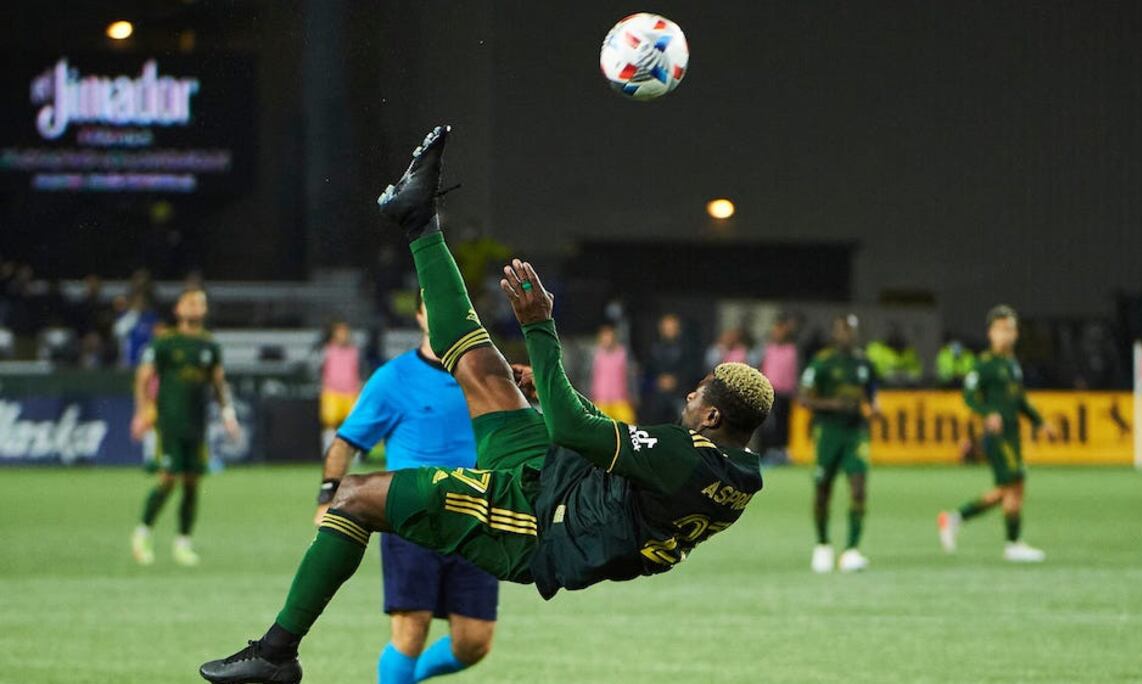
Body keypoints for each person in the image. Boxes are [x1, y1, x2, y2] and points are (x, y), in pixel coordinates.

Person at [200, 126, 773, 683]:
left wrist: (540, 327)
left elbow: (578, 429)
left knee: (352, 499)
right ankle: (418, 219)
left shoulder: (684, 455)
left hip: (539, 524)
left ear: (714, 416)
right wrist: (551, 396)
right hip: (565, 480)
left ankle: (276, 655)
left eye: (699, 393)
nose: (690, 395)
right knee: (478, 364)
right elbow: (598, 436)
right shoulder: (735, 474)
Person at [313, 298, 495, 684]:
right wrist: (328, 495)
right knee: (411, 631)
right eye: (432, 304)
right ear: (419, 316)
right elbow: (346, 442)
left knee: (474, 642)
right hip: (412, 518)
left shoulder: (487, 374)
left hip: (476, 519)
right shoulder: (393, 378)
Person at [130, 288, 240, 567]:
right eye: (190, 302)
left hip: (197, 424)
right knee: (168, 479)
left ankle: (183, 542)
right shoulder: (165, 343)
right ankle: (142, 532)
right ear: (179, 308)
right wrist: (142, 412)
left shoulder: (209, 346)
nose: (194, 307)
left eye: (199, 303)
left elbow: (218, 383)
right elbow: (143, 377)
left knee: (192, 482)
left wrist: (228, 414)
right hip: (169, 423)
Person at [938, 305, 1056, 562]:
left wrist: (1040, 422)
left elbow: (1020, 400)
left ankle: (954, 519)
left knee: (1008, 489)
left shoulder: (1011, 364)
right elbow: (969, 396)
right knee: (1014, 485)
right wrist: (987, 412)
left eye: (1011, 330)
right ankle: (1012, 544)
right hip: (998, 436)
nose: (1008, 335)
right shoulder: (985, 365)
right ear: (991, 333)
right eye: (1002, 329)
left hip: (1013, 433)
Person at [798, 314, 877, 573]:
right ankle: (822, 545)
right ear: (835, 333)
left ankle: (852, 550)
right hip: (828, 432)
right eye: (842, 330)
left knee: (858, 489)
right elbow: (804, 398)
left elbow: (870, 393)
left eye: (851, 330)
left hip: (855, 433)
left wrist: (874, 408)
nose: (847, 335)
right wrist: (833, 404)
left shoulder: (863, 362)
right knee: (823, 489)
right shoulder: (822, 362)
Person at [642, 313, 697, 423]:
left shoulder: (688, 348)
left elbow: (693, 370)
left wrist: (676, 380)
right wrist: (657, 380)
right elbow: (646, 371)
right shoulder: (653, 347)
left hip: (680, 394)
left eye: (672, 328)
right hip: (657, 397)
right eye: (666, 328)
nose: (669, 331)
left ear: (678, 329)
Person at [318, 320, 363, 450]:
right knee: (330, 423)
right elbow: (319, 369)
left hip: (351, 392)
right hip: (332, 391)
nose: (343, 335)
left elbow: (359, 370)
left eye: (345, 332)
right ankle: (328, 451)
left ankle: (353, 455)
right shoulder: (327, 350)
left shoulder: (354, 351)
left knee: (352, 425)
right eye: (340, 332)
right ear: (333, 334)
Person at [760, 317, 800, 457]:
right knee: (769, 423)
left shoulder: (792, 350)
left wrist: (795, 390)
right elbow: (763, 368)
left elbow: (795, 372)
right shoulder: (769, 349)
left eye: (781, 331)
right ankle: (768, 450)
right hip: (770, 392)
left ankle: (782, 450)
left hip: (786, 392)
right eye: (776, 331)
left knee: (784, 422)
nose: (777, 333)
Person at [588, 323, 636, 423]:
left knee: (628, 426)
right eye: (604, 337)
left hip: (620, 399)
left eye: (609, 336)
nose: (606, 339)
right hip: (600, 400)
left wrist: (634, 395)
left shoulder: (623, 354)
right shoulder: (595, 355)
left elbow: (631, 376)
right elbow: (588, 376)